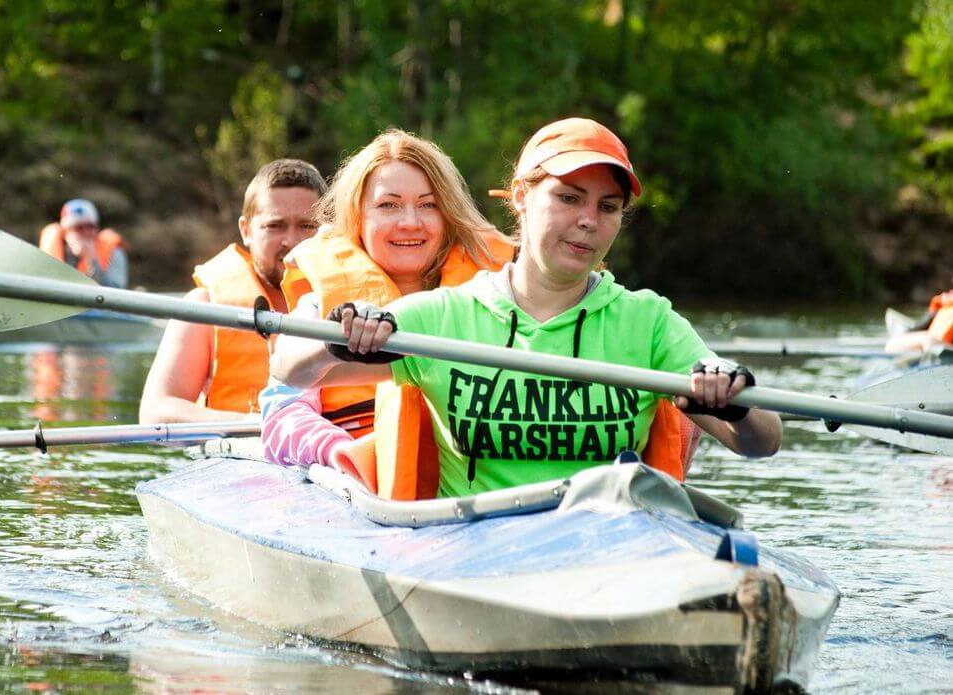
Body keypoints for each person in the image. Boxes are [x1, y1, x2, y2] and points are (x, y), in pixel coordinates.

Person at [270, 117, 781, 498]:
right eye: (568, 198)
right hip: (476, 550)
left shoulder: (648, 321)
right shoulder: (444, 316)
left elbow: (762, 441)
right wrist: (337, 337)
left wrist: (732, 403)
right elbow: (292, 371)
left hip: (608, 546)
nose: (588, 221)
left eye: (607, 208)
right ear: (520, 196)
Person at [258, 129, 516, 497]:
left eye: (428, 205)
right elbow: (281, 411)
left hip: (473, 478)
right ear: (357, 217)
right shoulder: (321, 303)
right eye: (388, 205)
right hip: (355, 477)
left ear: (448, 216)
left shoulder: (494, 296)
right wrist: (340, 454)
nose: (410, 222)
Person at [138, 159, 327, 423]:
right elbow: (157, 412)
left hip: (334, 452)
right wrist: (258, 425)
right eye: (275, 225)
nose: (291, 241)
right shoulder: (205, 307)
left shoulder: (354, 303)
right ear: (246, 231)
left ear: (327, 231)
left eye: (306, 226)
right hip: (242, 453)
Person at [39, 199, 129, 288]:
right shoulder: (52, 249)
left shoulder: (113, 250)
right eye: (79, 228)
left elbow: (115, 292)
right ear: (65, 232)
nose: (86, 233)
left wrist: (92, 261)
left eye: (90, 227)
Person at [884, 282, 953, 355]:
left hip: (938, 345)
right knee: (892, 343)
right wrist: (936, 303)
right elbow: (924, 325)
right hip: (932, 342)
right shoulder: (944, 305)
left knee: (926, 339)